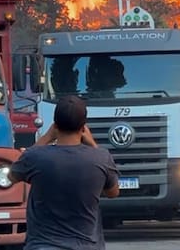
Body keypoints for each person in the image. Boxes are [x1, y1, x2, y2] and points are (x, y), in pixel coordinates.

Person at [9, 95, 119, 249]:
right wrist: (93, 143)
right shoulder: (101, 158)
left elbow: (11, 176)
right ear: (83, 128)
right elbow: (113, 192)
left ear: (55, 126)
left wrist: (46, 137)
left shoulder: (35, 157)